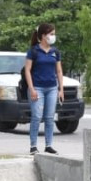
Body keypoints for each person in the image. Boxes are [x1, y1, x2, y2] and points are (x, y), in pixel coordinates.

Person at [23, 22, 64, 155]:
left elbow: (58, 71)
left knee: (49, 117)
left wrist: (61, 89)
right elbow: (27, 70)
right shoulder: (34, 51)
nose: (53, 36)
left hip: (52, 88)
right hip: (37, 88)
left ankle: (49, 145)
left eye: (54, 34)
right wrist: (32, 89)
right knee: (36, 116)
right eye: (51, 34)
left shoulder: (55, 52)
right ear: (43, 35)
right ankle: (33, 146)